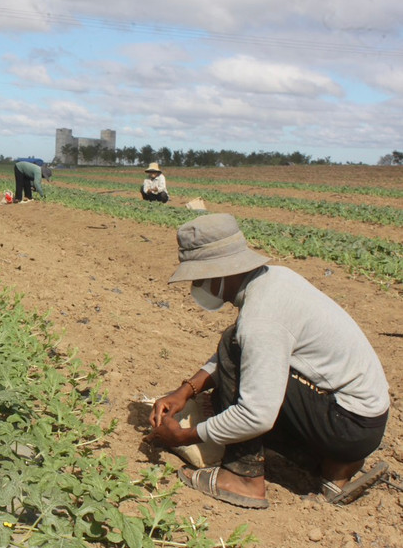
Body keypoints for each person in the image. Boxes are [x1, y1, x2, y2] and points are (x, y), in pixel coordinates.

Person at [145, 213, 389, 509]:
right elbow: (247, 347)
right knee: (235, 351)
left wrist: (183, 436)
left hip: (346, 425)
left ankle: (242, 479)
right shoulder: (274, 279)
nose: (197, 284)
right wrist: (186, 391)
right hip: (363, 420)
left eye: (199, 276)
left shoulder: (261, 318)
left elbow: (255, 415)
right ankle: (333, 463)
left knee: (232, 392)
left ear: (217, 272)